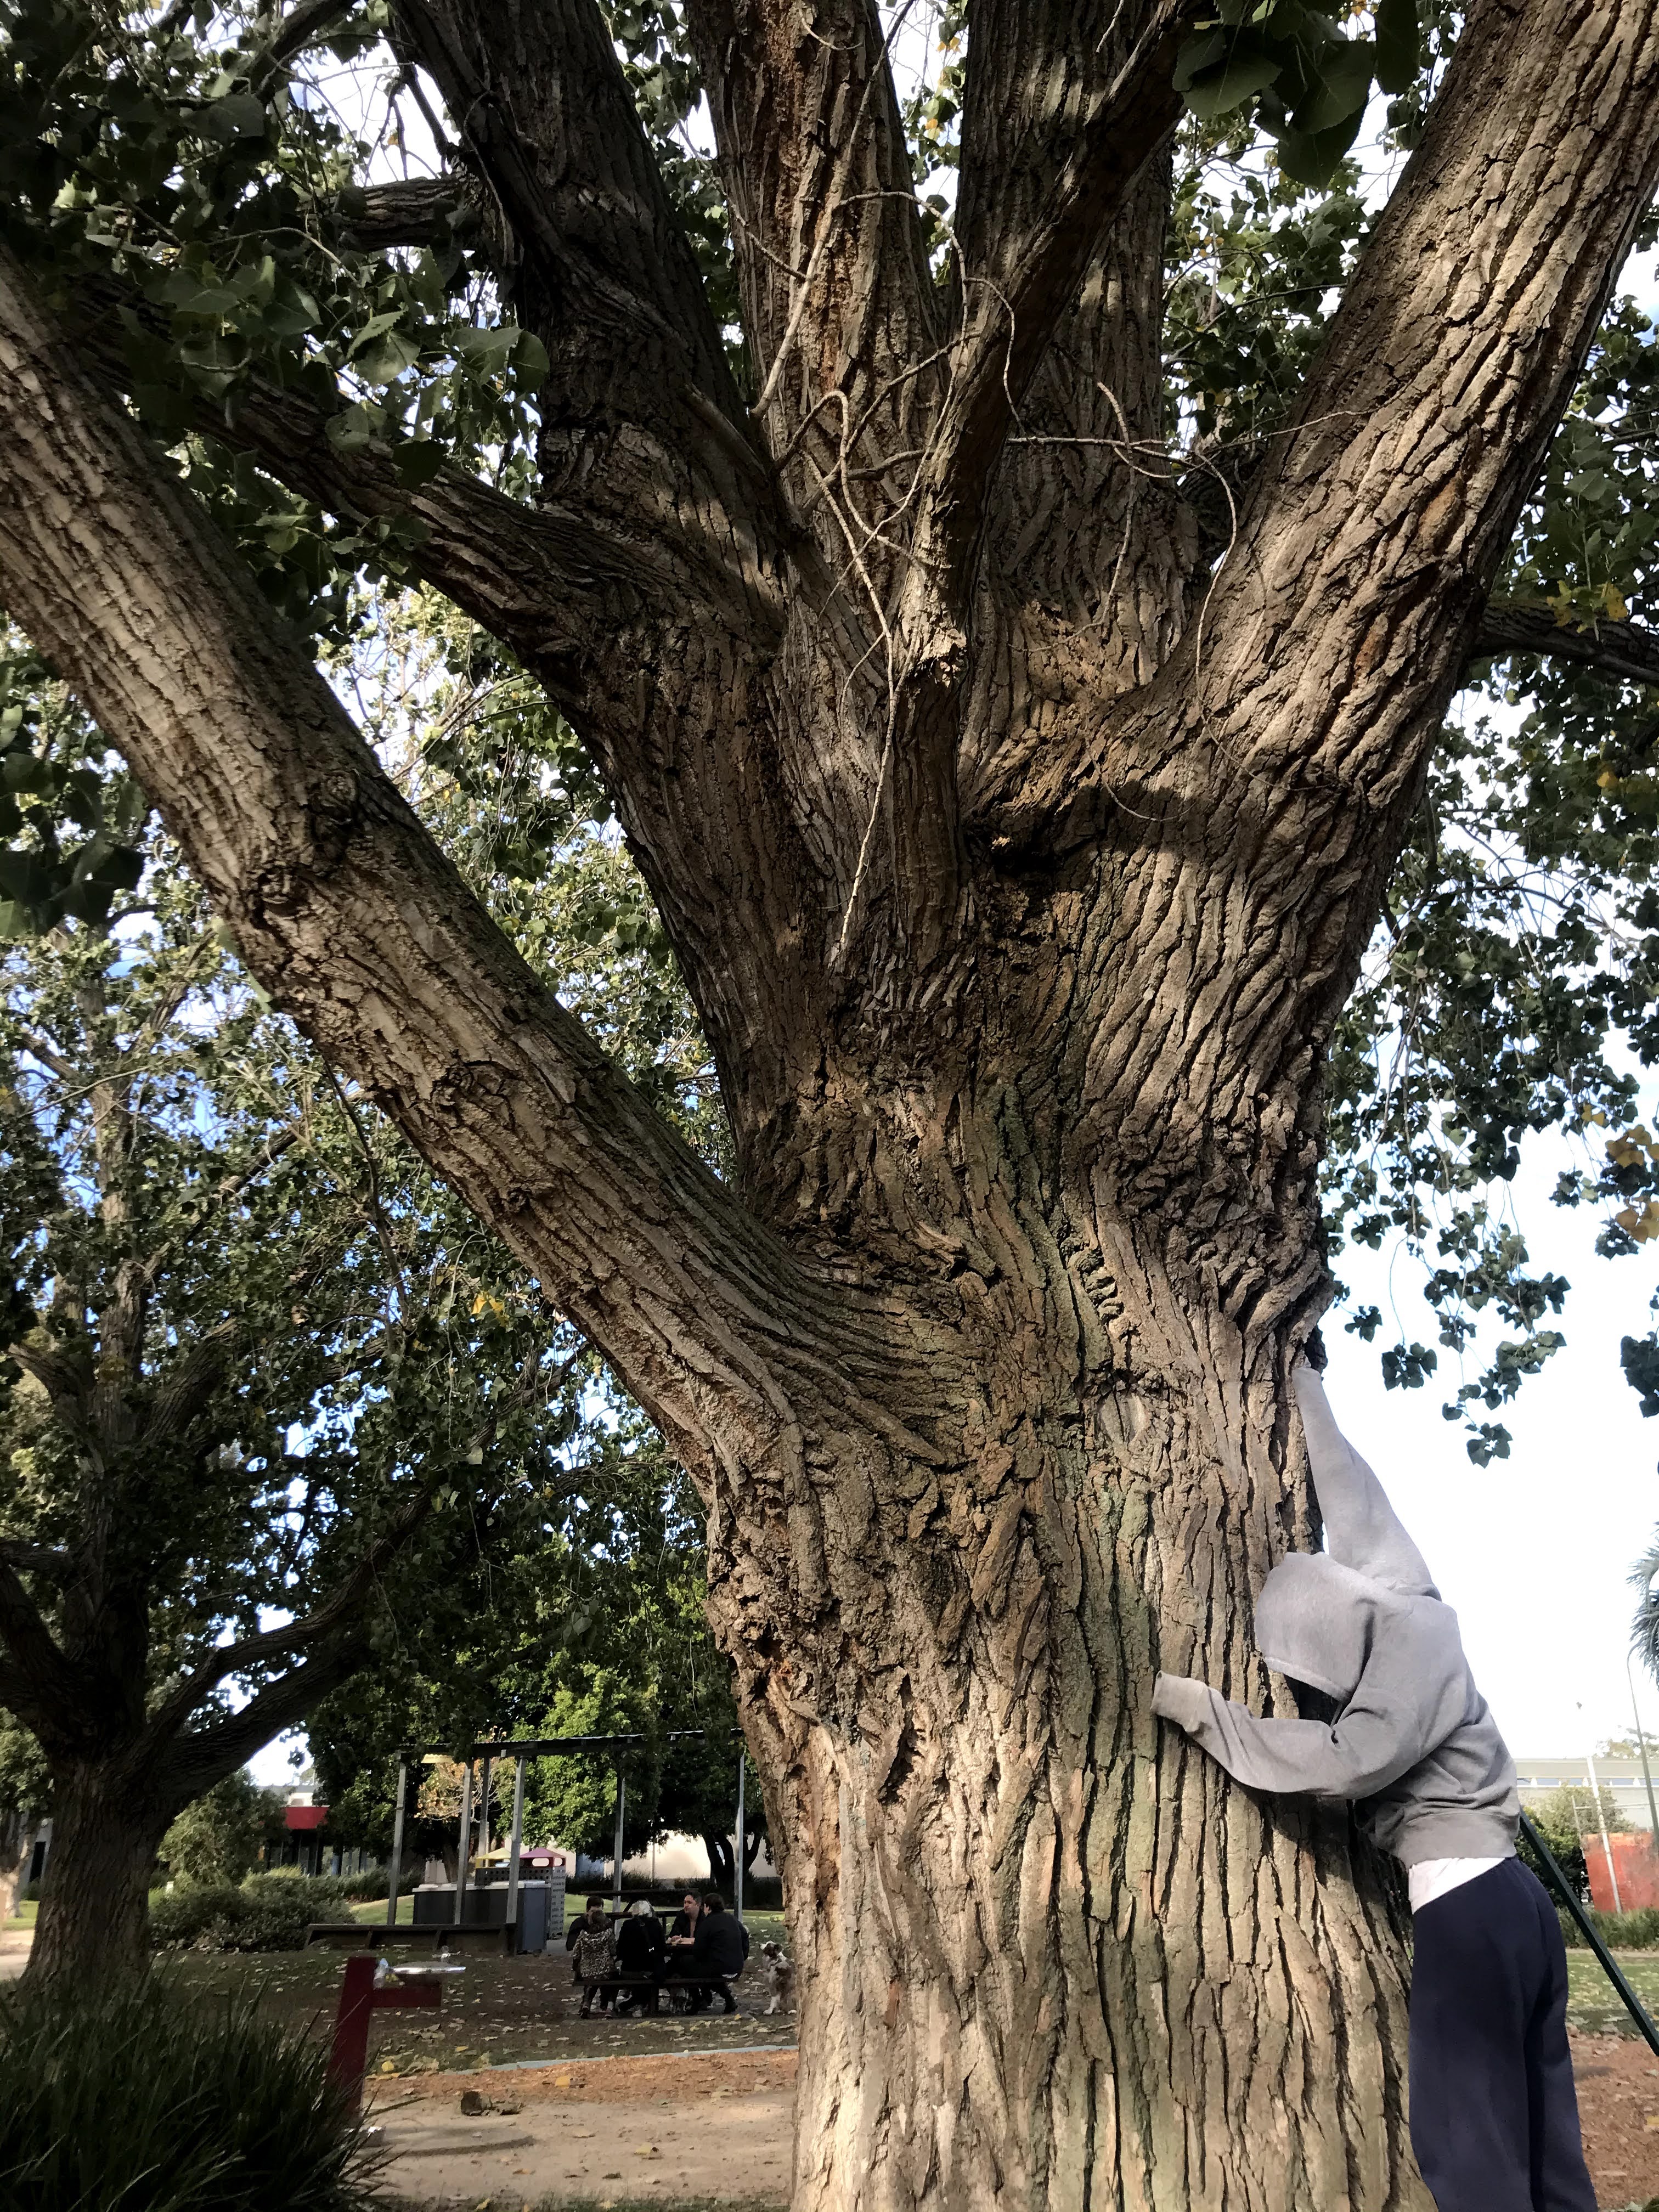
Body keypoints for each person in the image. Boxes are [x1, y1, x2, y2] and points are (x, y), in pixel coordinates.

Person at [1151, 1341, 1595, 2212]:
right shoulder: (1404, 1593)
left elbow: (1348, 1761)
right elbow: (1354, 1494)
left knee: (1468, 2149)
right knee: (1546, 2143)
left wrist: (1200, 1707)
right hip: (1516, 1905)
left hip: (1465, 1907)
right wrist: (1303, 1382)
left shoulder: (1401, 1658)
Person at [690, 1892, 750, 2016]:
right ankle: (725, 2000)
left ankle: (698, 2000)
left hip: (718, 1966)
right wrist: (743, 1956)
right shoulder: (732, 1920)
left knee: (688, 1967)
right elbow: (745, 1937)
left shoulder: (707, 1924)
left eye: (704, 1907)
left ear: (708, 1907)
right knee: (710, 1972)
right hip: (737, 1966)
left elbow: (698, 1950)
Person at [566, 1896, 617, 2018]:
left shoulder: (588, 1933)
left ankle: (588, 2003)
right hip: (597, 1968)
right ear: (587, 1911)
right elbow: (571, 1947)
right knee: (610, 1974)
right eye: (594, 1912)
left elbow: (575, 1952)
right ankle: (607, 2006)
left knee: (595, 1977)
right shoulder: (580, 1926)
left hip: (588, 1969)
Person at [614, 1898, 666, 2013]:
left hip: (629, 1971)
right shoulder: (655, 1925)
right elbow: (663, 1949)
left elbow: (620, 1950)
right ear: (649, 1911)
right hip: (650, 1970)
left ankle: (634, 2003)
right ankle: (638, 2004)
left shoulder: (627, 1925)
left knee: (642, 1981)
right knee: (653, 1977)